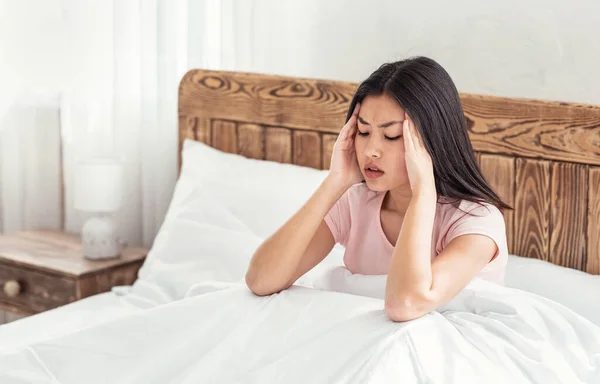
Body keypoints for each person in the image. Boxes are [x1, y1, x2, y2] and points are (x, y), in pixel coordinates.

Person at [245, 56, 511, 322]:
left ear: (431, 139)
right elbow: (261, 280)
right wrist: (334, 181)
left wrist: (423, 192)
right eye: (362, 132)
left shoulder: (477, 221)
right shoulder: (357, 203)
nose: (371, 150)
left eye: (391, 136)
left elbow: (404, 304)